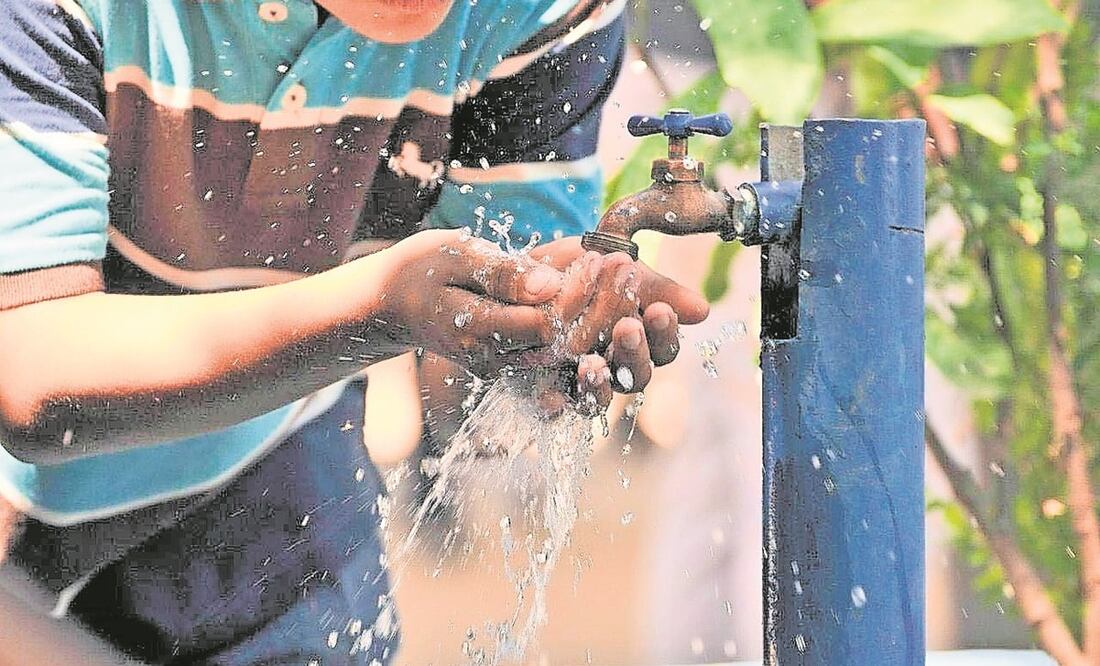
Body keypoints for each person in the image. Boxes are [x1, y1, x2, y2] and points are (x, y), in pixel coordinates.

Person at [0, 0, 710, 664]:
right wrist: (373, 313)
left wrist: (553, 329)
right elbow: (30, 369)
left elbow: (510, 278)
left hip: (274, 460)